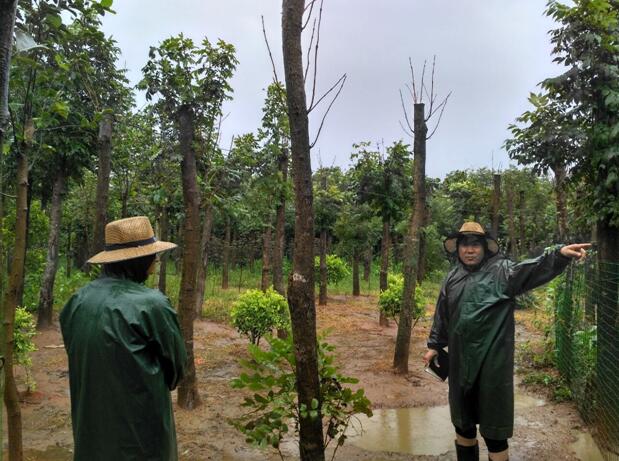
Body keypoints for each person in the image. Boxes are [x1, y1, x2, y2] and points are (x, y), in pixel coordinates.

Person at [422, 222, 590, 461]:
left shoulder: (503, 271)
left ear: (484, 248)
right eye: (465, 245)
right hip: (461, 363)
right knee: (463, 425)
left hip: (493, 364)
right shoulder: (452, 278)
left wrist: (558, 256)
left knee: (495, 433)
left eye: (475, 245)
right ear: (458, 249)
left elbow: (531, 269)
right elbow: (442, 315)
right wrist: (434, 346)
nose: (470, 250)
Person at [60, 216, 187, 461]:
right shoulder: (152, 305)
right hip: (142, 437)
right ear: (140, 260)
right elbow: (176, 371)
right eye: (153, 255)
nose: (155, 261)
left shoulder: (76, 301)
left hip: (91, 434)